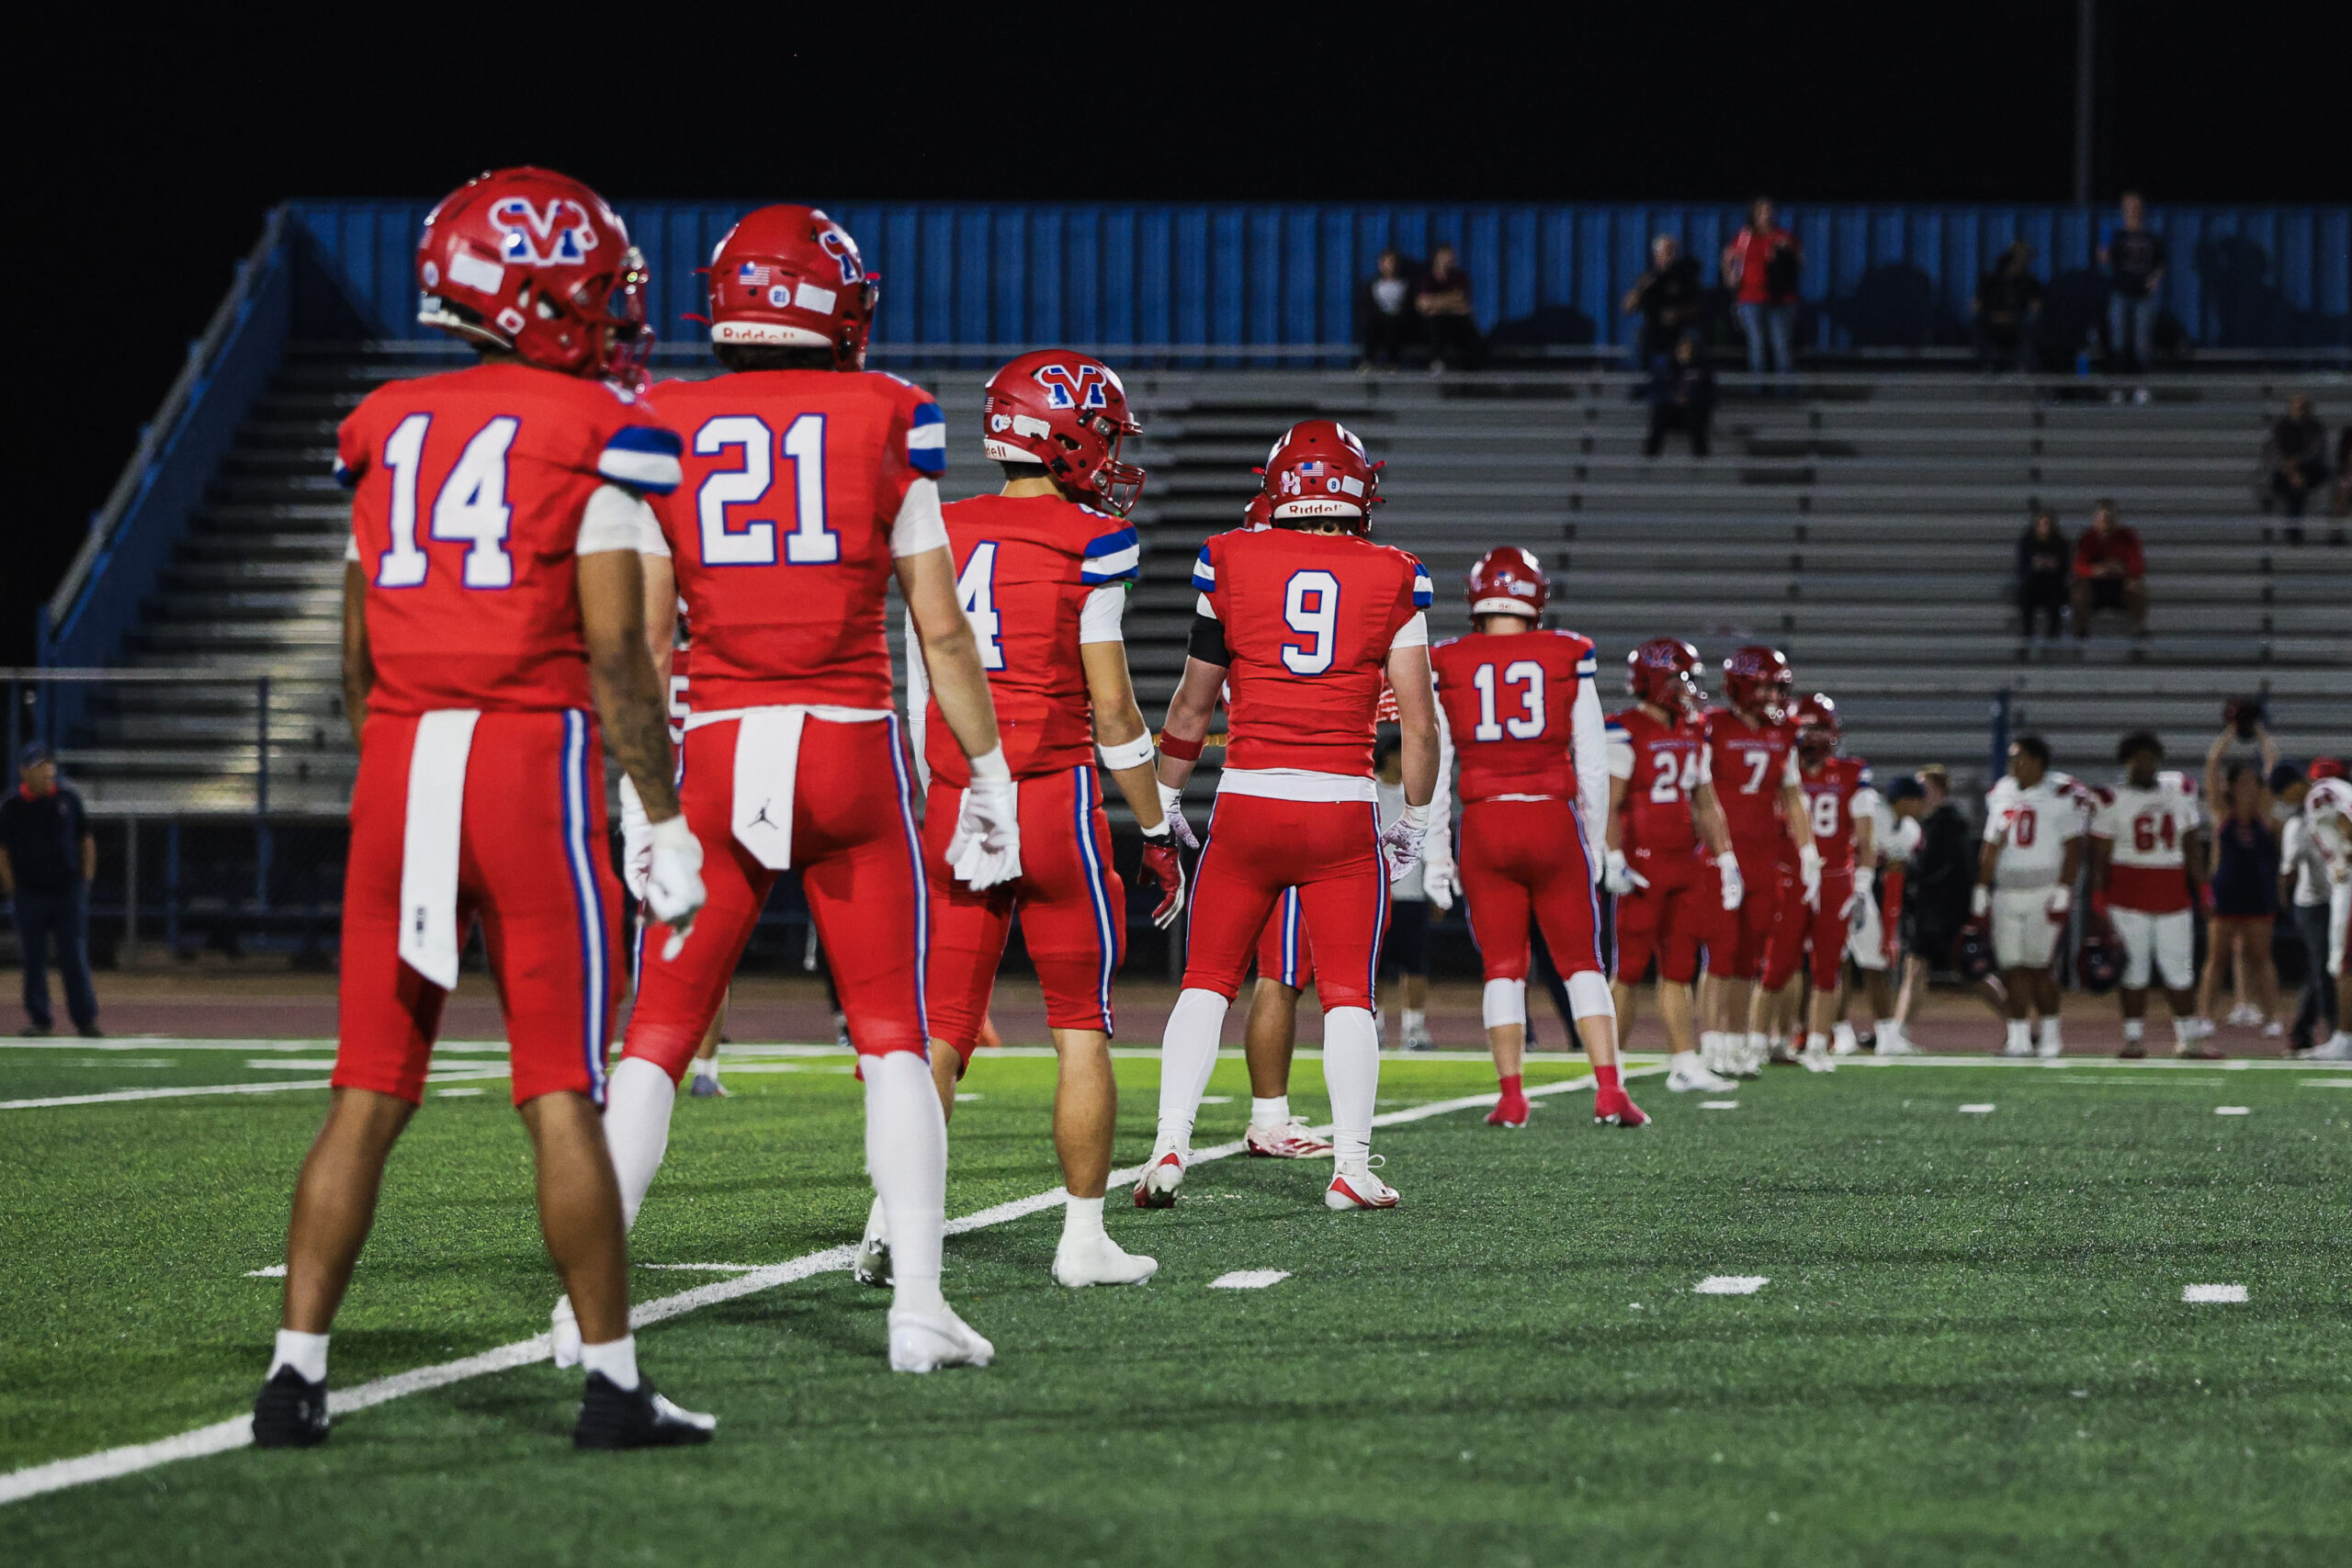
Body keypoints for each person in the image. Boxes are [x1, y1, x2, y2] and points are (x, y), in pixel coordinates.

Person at [261, 166, 711, 1451]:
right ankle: (615, 1384)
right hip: (528, 760)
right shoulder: (596, 427)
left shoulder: (381, 423)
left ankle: (295, 1375)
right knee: (560, 1086)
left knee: (367, 1085)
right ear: (542, 292)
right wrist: (662, 811)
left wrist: (396, 758)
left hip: (402, 760)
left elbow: (355, 651)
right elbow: (621, 656)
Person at [584, 204, 1009, 1377]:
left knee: (656, 1037)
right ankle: (917, 1301)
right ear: (836, 305)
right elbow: (943, 635)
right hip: (849, 749)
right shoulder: (887, 413)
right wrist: (989, 779)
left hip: (716, 750)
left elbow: (649, 645)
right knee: (891, 1038)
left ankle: (589, 1304)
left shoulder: (661, 417)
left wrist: (642, 799)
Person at [854, 350, 1187, 1292]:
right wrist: (1158, 826)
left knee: (940, 1028)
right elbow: (1115, 714)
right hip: (1051, 799)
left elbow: (927, 673)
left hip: (959, 798)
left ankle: (890, 1218)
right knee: (1079, 1027)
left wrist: (943, 787)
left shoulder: (938, 527)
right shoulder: (1092, 540)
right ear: (1070, 435)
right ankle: (1083, 1241)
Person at [1142, 420, 1439, 1211]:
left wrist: (1166, 798)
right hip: (1340, 809)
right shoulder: (1394, 573)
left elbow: (1191, 702)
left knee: (1205, 982)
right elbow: (1419, 720)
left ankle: (1169, 1144)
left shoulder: (1230, 556)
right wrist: (1414, 820)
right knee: (1348, 993)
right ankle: (1350, 1164)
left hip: (1246, 801)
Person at [1426, 547, 1646, 1127]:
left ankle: (1511, 1096)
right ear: (1536, 598)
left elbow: (1436, 764)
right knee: (1582, 962)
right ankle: (1608, 1090)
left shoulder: (1449, 659)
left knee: (1502, 965)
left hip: (1486, 822)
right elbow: (1593, 762)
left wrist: (1435, 855)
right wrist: (1595, 843)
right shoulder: (1566, 651)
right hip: (1551, 818)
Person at [1600, 638, 1742, 1095]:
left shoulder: (1692, 729)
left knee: (1679, 967)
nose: (1690, 689)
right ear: (1657, 680)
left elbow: (1706, 801)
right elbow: (1611, 801)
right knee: (1628, 970)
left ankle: (1684, 1061)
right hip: (1642, 865)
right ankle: (1610, 1070)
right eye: (1682, 678)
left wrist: (1725, 857)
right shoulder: (1624, 730)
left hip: (1684, 863)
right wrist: (1614, 855)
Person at [1701, 646, 1821, 1077]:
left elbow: (1792, 794)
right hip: (1721, 854)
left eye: (1778, 686)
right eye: (1766, 684)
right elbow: (1696, 791)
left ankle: (1735, 1044)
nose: (1774, 694)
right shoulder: (1711, 727)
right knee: (1719, 955)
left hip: (1762, 856)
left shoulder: (1783, 732)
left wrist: (1808, 851)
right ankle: (1711, 1044)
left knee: (1748, 958)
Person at [1759, 694, 1875, 1072]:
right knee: (1777, 966)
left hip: (1834, 880)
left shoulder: (1850, 774)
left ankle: (1818, 1045)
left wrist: (1861, 885)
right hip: (1789, 877)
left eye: (1818, 728)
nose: (1810, 737)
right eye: (1804, 727)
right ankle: (1762, 1041)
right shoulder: (1777, 770)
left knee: (1828, 969)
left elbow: (1866, 837)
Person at [2087, 732, 2214, 1058]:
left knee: (2179, 972)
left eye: (2150, 758)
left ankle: (2188, 1040)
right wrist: (2098, 898)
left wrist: (2202, 888)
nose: (2145, 765)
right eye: (2138, 758)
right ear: (2126, 761)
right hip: (2127, 896)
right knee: (2134, 973)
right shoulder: (2111, 798)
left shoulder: (2179, 791)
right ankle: (2133, 1039)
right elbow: (2099, 856)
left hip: (2172, 894)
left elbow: (2190, 846)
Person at [1976, 736, 2087, 1056]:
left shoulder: (2063, 792)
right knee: (2013, 968)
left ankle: (2052, 1037)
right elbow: (1991, 844)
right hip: (2007, 891)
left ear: (2038, 761)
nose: (2013, 765)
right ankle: (2018, 1038)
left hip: (2044, 889)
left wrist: (2065, 889)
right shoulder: (2002, 792)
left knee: (2040, 967)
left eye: (2020, 758)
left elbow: (2073, 846)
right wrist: (1981, 888)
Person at [1894, 763, 2007, 1040]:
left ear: (1941, 792)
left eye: (1927, 788)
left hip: (1947, 914)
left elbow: (1937, 868)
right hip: (1929, 913)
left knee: (1972, 973)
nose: (1921, 794)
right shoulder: (1925, 823)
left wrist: (1907, 871)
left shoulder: (1949, 824)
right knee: (1915, 969)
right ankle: (1898, 1032)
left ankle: (2018, 1023)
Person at [1, 741, 99, 1039]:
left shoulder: (68, 799)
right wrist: (13, 889)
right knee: (33, 959)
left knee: (74, 957)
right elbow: (3, 851)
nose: (46, 771)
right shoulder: (13, 806)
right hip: (30, 893)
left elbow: (86, 842)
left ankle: (85, 1020)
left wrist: (85, 881)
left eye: (47, 765)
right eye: (38, 766)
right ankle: (40, 1018)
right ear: (24, 772)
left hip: (67, 892)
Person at [2199, 728, 2283, 1037]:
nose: (2249, 787)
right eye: (2242, 782)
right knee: (2216, 959)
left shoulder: (2264, 813)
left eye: (2253, 782)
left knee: (2261, 958)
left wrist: (2259, 734)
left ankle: (2273, 1017)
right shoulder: (2222, 814)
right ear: (2231, 787)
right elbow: (2211, 765)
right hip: (2227, 893)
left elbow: (2273, 761)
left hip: (2258, 893)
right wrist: (2231, 734)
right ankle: (2205, 1016)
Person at [1375, 731, 1440, 1049]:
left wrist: (1433, 887)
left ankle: (1414, 1029)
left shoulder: (1416, 791)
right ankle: (1375, 1025)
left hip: (1411, 892)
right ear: (1389, 755)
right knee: (1375, 966)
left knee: (1415, 964)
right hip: (1376, 892)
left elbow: (1428, 841)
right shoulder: (1368, 788)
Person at [2278, 761, 2339, 1054]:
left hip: (2333, 898)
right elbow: (2288, 872)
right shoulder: (2298, 822)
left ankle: (2301, 1030)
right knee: (2326, 968)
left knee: (2323, 967)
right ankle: (2336, 1031)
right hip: (2314, 903)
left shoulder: (2330, 809)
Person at [2294, 773, 2352, 1059]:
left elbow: (2344, 817)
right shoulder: (2338, 788)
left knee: (2343, 964)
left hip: (2350, 885)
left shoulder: (2322, 794)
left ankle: (2344, 1040)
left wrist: (2348, 856)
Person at [1723, 197, 1802, 375]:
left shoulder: (1783, 237)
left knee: (1781, 344)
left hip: (1781, 300)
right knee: (1757, 343)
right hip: (1750, 298)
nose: (1767, 214)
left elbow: (1799, 262)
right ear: (1754, 214)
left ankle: (1785, 390)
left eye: (1770, 210)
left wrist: (1784, 253)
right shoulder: (1744, 238)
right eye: (1763, 210)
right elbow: (1728, 257)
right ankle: (1757, 389)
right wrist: (1730, 277)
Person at [2098, 193, 2165, 375]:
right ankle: (2117, 385)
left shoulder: (2151, 237)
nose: (2132, 211)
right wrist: (2103, 251)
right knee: (2117, 342)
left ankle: (2141, 386)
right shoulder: (2117, 235)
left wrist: (2154, 279)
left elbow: (2160, 264)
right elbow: (2104, 260)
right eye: (2128, 207)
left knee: (2142, 344)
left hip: (2143, 296)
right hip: (2120, 293)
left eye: (2136, 206)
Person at [2071, 500, 2148, 641]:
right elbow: (2078, 566)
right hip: (2096, 586)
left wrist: (2122, 569)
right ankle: (2081, 628)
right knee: (2079, 590)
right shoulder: (2088, 538)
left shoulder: (2128, 537)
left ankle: (2138, 628)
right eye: (2102, 519)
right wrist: (2094, 570)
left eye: (2109, 519)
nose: (2105, 524)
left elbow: (2138, 565)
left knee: (2136, 588)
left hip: (2119, 585)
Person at [1622, 233, 1702, 369]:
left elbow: (1698, 306)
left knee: (1691, 339)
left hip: (1680, 328)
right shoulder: (1648, 279)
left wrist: (1678, 313)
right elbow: (1627, 308)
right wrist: (1639, 290)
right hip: (1655, 329)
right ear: (1657, 255)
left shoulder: (1685, 277)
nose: (1670, 256)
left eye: (1672, 251)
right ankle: (1641, 381)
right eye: (1666, 252)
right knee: (1640, 337)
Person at [1972, 241, 2044, 373]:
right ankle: (1986, 366)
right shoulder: (1989, 281)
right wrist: (1995, 317)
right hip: (1992, 323)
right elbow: (1975, 307)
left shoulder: (2032, 283)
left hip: (2018, 325)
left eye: (2025, 257)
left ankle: (2025, 368)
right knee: (1977, 321)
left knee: (2031, 323)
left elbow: (2036, 309)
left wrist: (2013, 318)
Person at [1642, 337, 1716, 457]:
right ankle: (1650, 455)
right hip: (1672, 410)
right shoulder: (1666, 370)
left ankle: (1701, 455)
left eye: (1687, 350)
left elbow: (1710, 394)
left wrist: (1691, 399)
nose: (1684, 354)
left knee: (1694, 415)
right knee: (1660, 413)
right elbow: (1656, 391)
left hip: (1693, 410)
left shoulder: (1703, 371)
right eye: (1681, 350)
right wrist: (1672, 398)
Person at [1415, 245, 1481, 372]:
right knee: (1435, 322)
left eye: (1452, 256)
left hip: (1456, 325)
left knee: (1468, 328)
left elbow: (1462, 302)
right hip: (1435, 327)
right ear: (1437, 258)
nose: (1451, 259)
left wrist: (1434, 303)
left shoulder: (1459, 278)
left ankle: (1469, 372)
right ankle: (1437, 363)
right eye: (1447, 256)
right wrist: (1450, 302)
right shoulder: (1427, 279)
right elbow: (1422, 305)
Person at [2263, 394, 2330, 519]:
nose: (2299, 409)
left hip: (2310, 470)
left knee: (2304, 481)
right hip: (2283, 470)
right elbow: (2274, 451)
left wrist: (2297, 461)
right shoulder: (2280, 427)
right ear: (2290, 407)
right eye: (2296, 406)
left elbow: (2315, 451)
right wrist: (2291, 471)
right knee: (2293, 488)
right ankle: (2294, 530)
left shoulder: (2316, 427)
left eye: (2302, 406)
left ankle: (2294, 528)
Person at [2015, 509, 2071, 643]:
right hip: (2033, 585)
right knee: (2026, 593)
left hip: (2053, 585)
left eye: (2049, 524)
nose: (2046, 527)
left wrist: (2054, 566)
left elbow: (2066, 570)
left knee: (2057, 595)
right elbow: (2021, 569)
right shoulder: (2027, 542)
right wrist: (2035, 566)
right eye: (2043, 524)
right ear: (2037, 525)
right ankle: (2027, 633)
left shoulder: (2061, 543)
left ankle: (2052, 634)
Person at [1359, 249, 1419, 371]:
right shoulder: (1373, 285)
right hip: (1378, 327)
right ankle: (1368, 362)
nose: (1389, 265)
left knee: (1393, 322)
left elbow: (1408, 309)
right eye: (1385, 261)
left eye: (1391, 261)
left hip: (1399, 328)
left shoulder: (1405, 285)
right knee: (1372, 321)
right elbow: (1367, 308)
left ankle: (1393, 363)